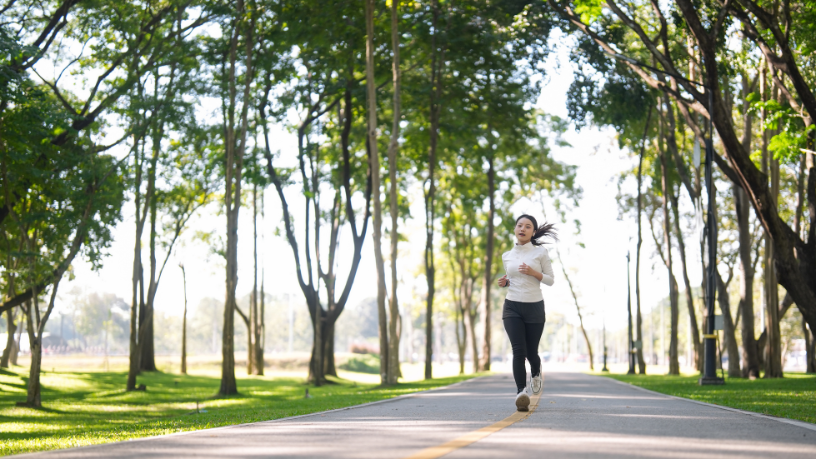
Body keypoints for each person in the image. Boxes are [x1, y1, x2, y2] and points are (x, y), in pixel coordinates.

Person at [497, 214, 556, 411]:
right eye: (519, 225)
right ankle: (521, 392)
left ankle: (536, 373)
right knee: (518, 350)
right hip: (512, 305)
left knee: (532, 352)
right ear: (515, 229)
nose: (522, 229)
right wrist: (505, 282)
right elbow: (512, 278)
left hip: (534, 306)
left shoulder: (540, 252)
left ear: (533, 232)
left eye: (528, 226)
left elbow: (550, 280)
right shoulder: (507, 255)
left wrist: (534, 273)